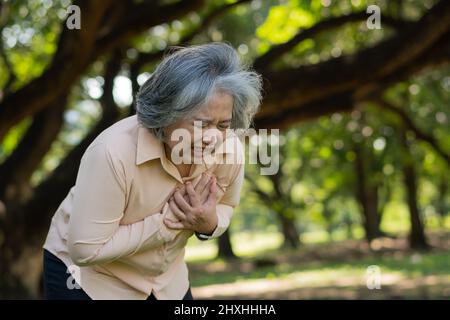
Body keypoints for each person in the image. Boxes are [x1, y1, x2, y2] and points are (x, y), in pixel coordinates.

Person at [42, 42, 263, 300]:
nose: (212, 137)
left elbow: (226, 205)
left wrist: (208, 223)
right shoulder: (112, 152)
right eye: (201, 124)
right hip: (88, 279)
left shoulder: (229, 149)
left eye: (223, 125)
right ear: (166, 112)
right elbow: (86, 250)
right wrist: (168, 224)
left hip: (167, 282)